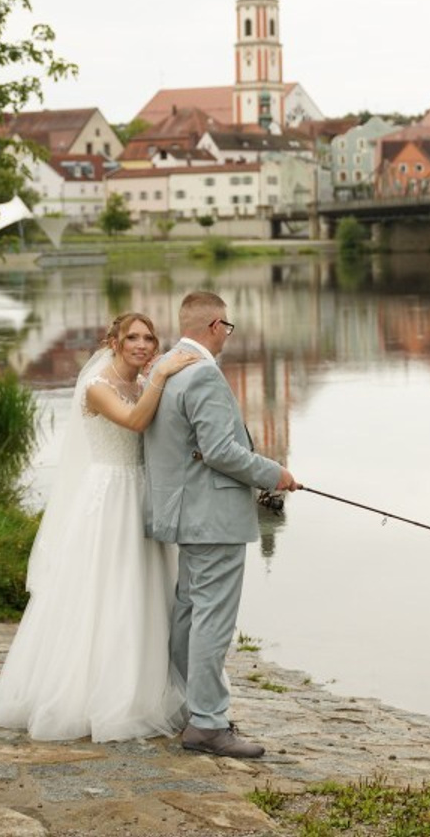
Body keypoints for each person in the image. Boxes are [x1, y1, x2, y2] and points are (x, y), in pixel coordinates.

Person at [0, 313, 201, 741]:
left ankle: (148, 687)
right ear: (113, 342)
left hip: (141, 495)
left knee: (144, 589)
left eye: (148, 338)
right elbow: (136, 422)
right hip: (109, 498)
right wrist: (163, 374)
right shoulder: (97, 386)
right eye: (132, 337)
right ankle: (90, 695)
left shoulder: (143, 384)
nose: (141, 344)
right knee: (106, 589)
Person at [144, 290, 299, 759]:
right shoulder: (203, 374)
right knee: (212, 619)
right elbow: (220, 451)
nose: (228, 335)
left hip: (185, 512)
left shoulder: (165, 367)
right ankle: (208, 724)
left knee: (190, 612)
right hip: (213, 517)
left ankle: (190, 707)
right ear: (215, 326)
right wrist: (275, 473)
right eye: (227, 327)